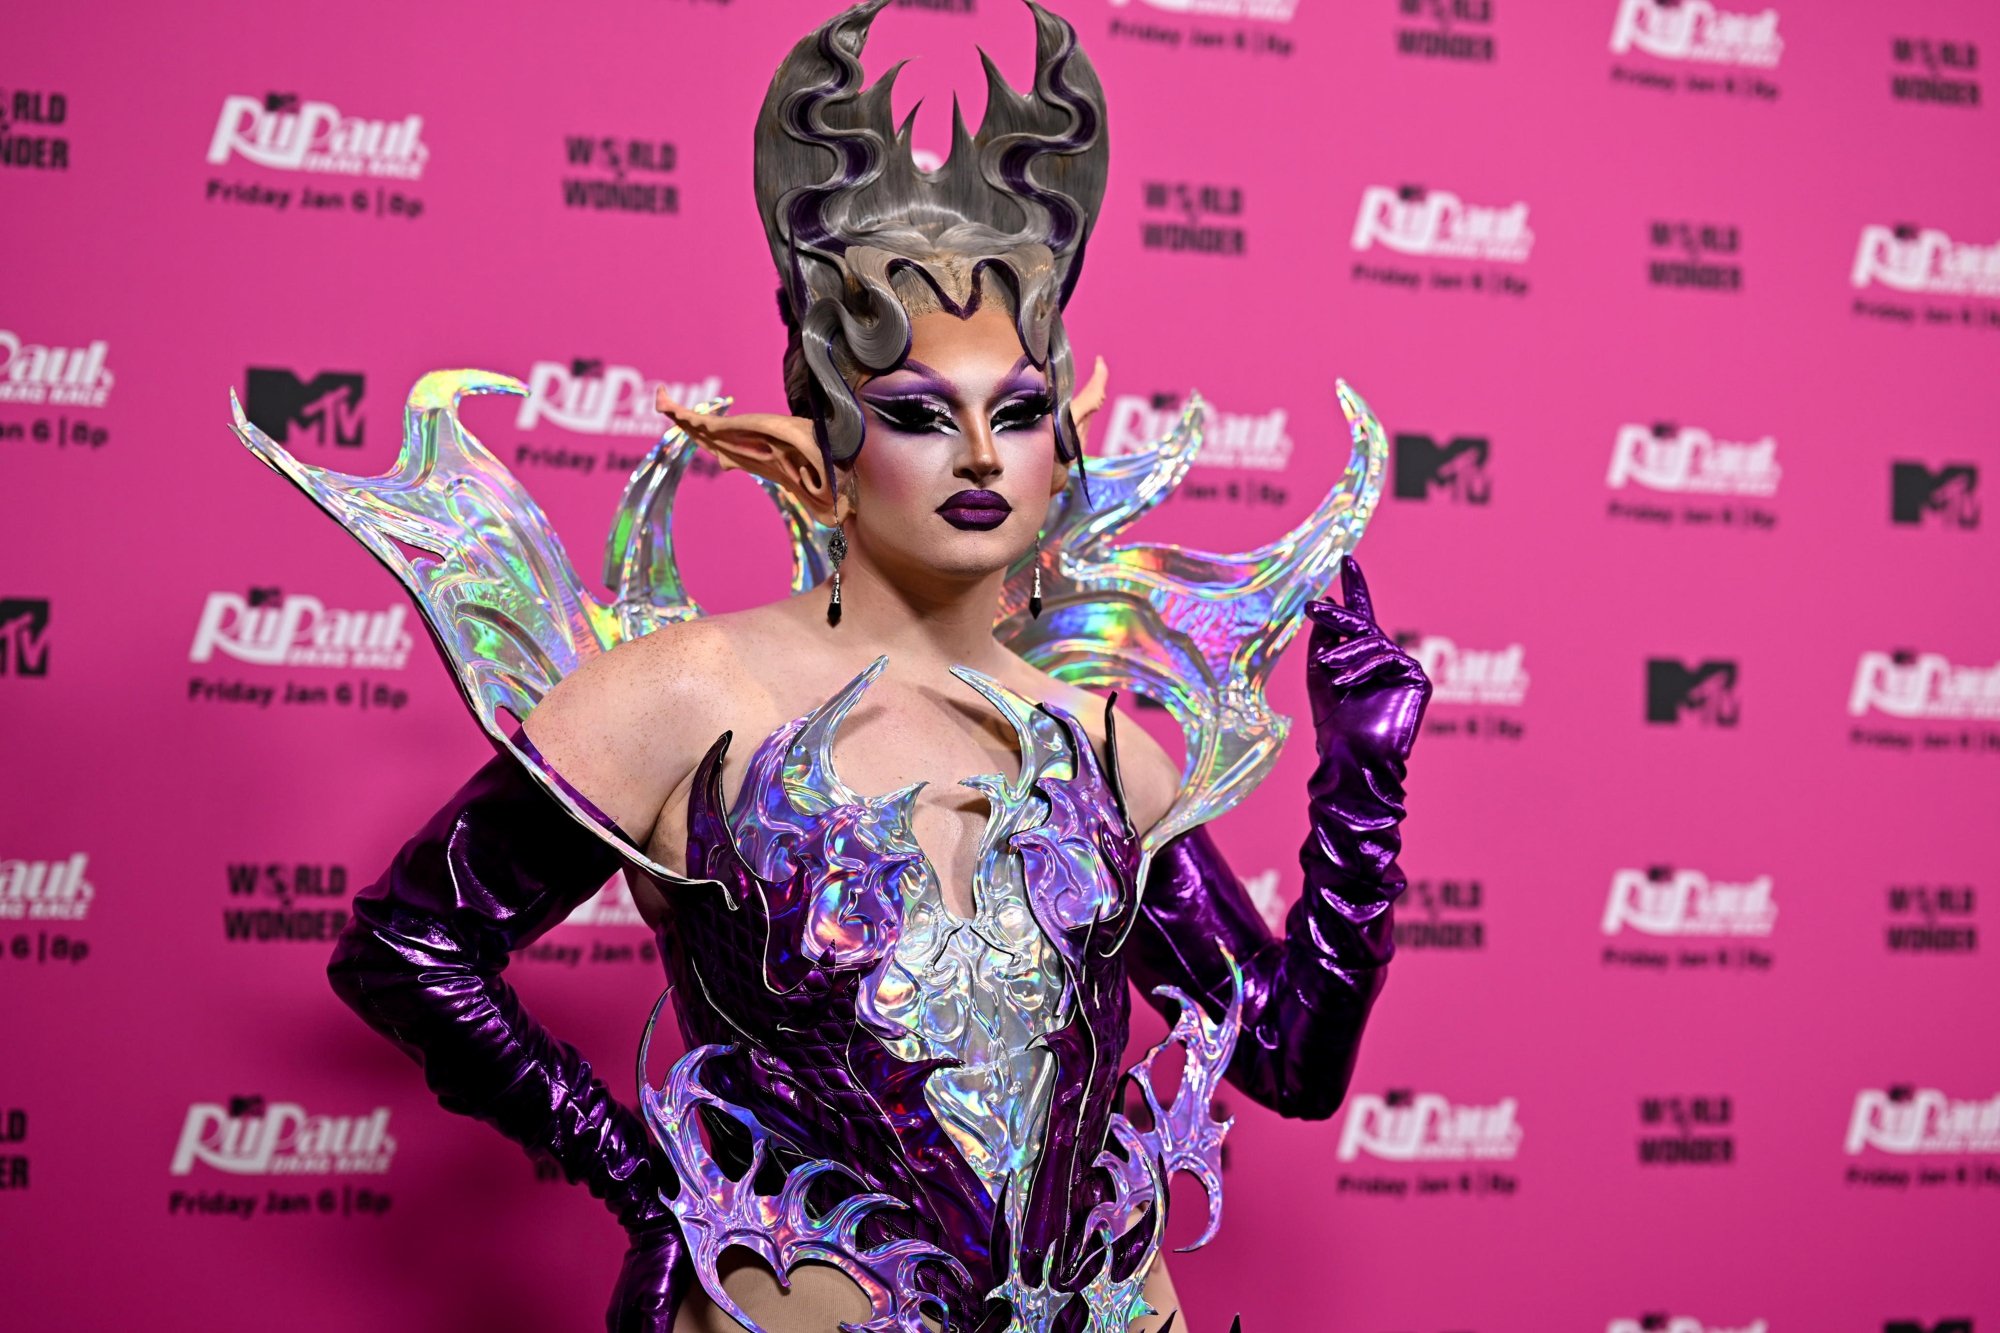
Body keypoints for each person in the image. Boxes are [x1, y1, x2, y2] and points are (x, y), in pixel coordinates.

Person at [278, 3, 1432, 1330]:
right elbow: (409, 945)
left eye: (1018, 410)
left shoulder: (1106, 750)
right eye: (919, 415)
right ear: (818, 450)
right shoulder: (688, 698)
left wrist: (1363, 785)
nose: (984, 456)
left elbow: (1286, 1055)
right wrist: (641, 1180)